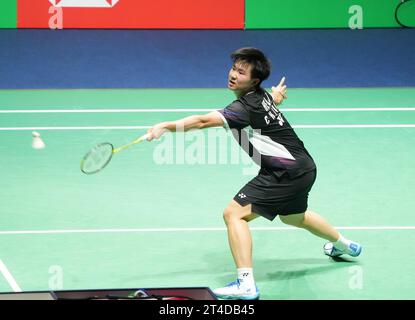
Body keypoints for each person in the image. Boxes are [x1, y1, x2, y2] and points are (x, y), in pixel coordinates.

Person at [146, 47, 362, 300]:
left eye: (241, 72)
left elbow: (203, 122)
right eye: (234, 69)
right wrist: (277, 97)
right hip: (304, 168)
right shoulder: (260, 97)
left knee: (233, 214)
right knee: (295, 218)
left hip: (283, 172)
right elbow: (270, 104)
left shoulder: (245, 107)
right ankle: (345, 246)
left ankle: (245, 284)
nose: (233, 75)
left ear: (255, 81)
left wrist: (165, 126)